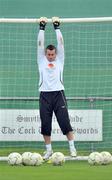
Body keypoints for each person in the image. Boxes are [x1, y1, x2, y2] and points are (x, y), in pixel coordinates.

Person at [37, 17, 77, 160]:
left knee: (64, 122)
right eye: (49, 54)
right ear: (45, 54)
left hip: (58, 93)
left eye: (53, 54)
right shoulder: (41, 60)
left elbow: (61, 44)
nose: (51, 56)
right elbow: (40, 45)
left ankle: (72, 148)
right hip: (44, 95)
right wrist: (42, 27)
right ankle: (49, 151)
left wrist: (56, 27)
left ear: (56, 54)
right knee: (45, 124)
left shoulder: (60, 60)